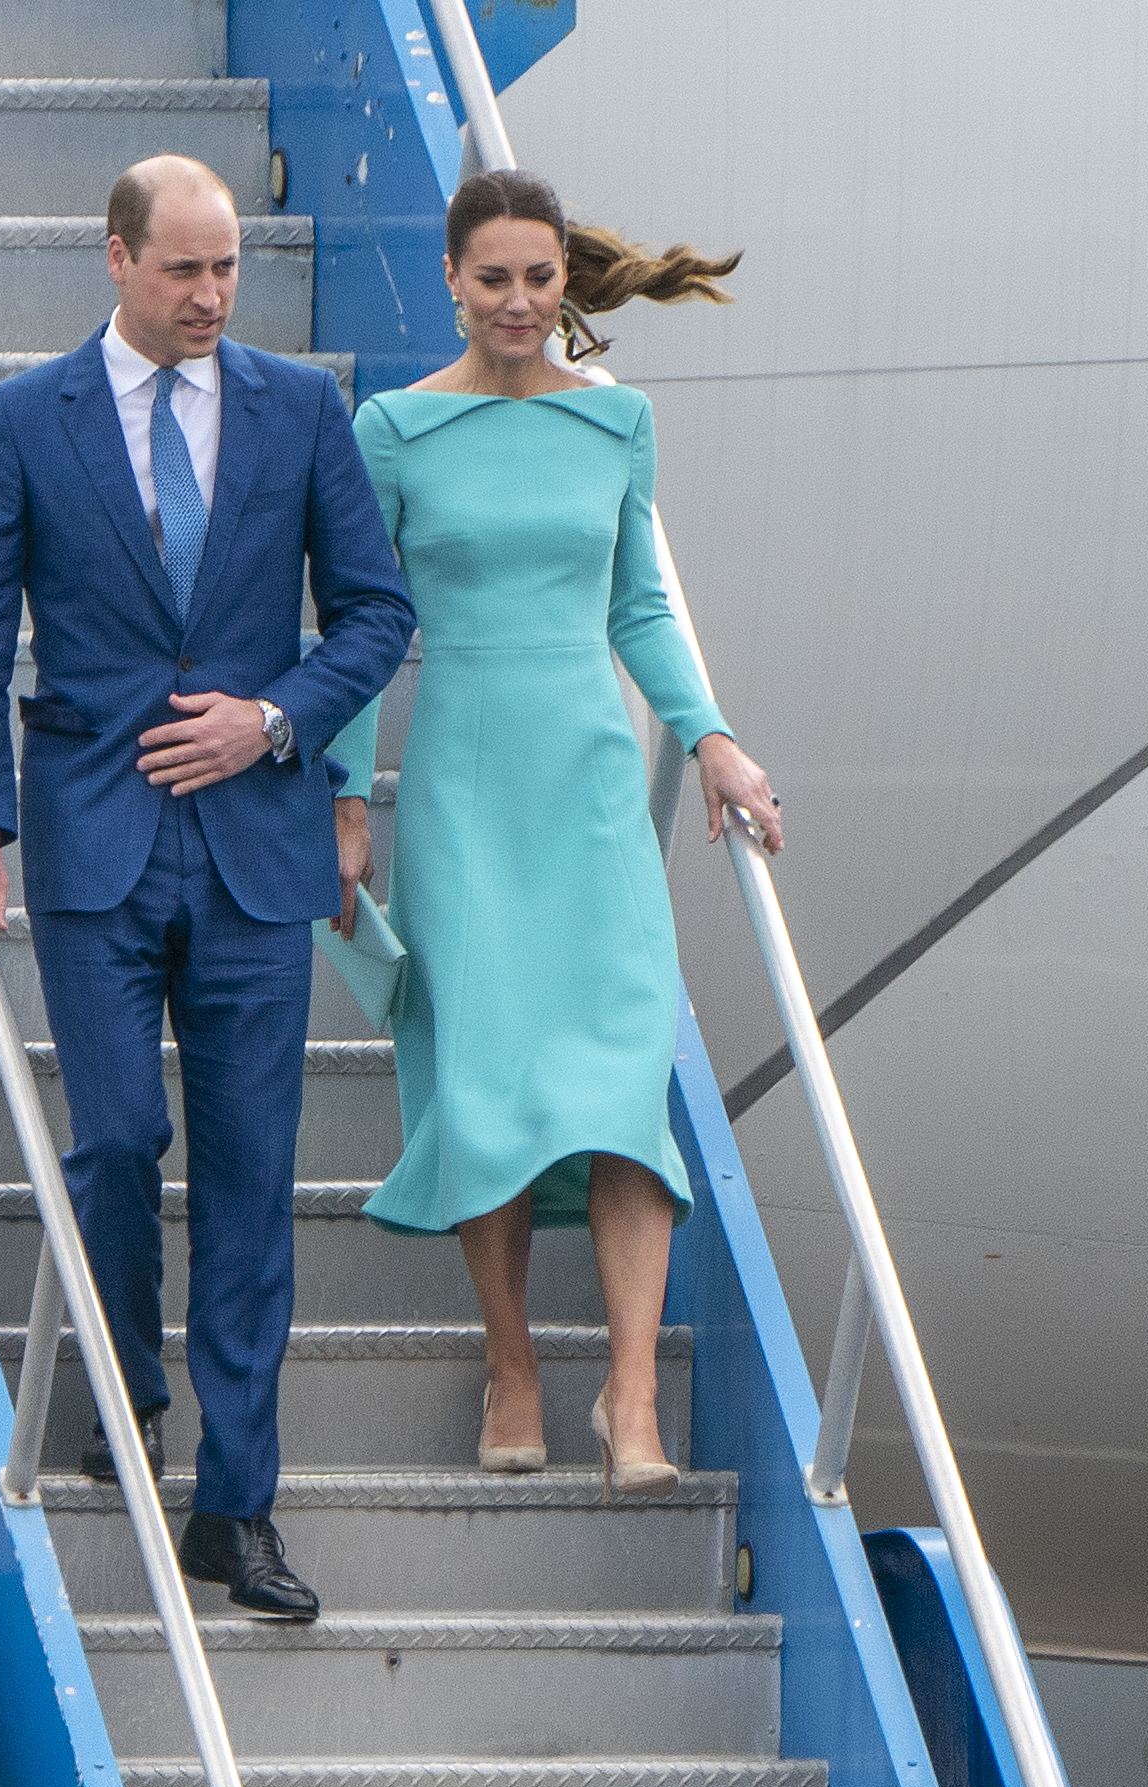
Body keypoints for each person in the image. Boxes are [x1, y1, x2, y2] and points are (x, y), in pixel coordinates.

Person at [0, 156, 414, 1619]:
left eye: (228, 273)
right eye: (184, 271)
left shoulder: (300, 409)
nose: (210, 298)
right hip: (94, 837)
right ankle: (129, 1399)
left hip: (258, 847)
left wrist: (275, 722)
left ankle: (237, 1507)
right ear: (118, 260)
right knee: (122, 1141)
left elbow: (378, 611)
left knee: (255, 1182)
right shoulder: (25, 420)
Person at [340, 169, 782, 1499]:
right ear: (453, 283)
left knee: (618, 1089)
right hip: (467, 786)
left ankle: (633, 1397)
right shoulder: (397, 431)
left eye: (540, 279)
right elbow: (367, 632)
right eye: (495, 280)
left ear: (563, 282)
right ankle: (516, 1363)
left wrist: (709, 736)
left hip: (593, 785)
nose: (521, 302)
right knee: (485, 1086)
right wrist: (346, 800)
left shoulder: (619, 426)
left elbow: (640, 608)